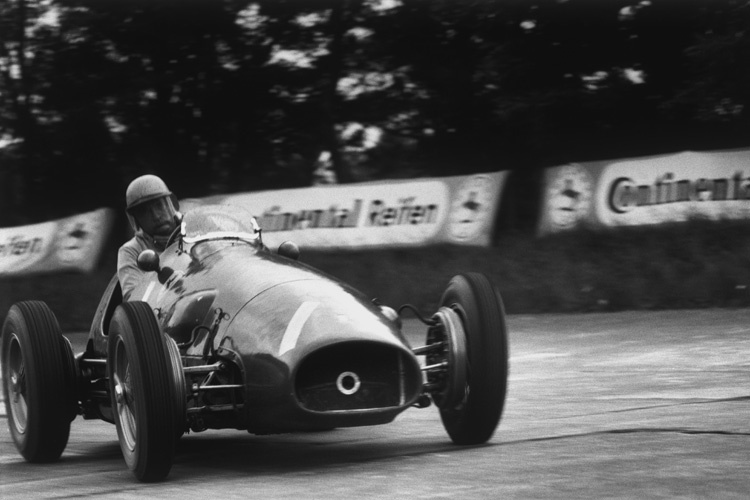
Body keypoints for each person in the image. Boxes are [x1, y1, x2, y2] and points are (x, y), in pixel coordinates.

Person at [117, 174, 182, 300]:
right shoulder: (131, 251)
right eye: (144, 211)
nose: (156, 216)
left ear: (170, 203)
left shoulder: (195, 227)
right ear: (136, 219)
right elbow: (134, 300)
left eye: (159, 205)